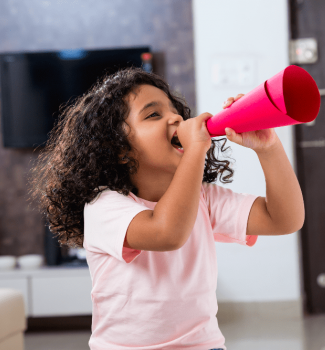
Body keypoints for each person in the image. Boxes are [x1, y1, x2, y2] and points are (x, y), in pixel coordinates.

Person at [27, 67, 305, 350]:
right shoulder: (104, 206)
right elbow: (167, 232)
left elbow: (283, 219)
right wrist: (195, 150)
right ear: (119, 149)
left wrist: (268, 149)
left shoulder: (203, 198)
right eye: (153, 114)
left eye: (175, 111)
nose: (176, 118)